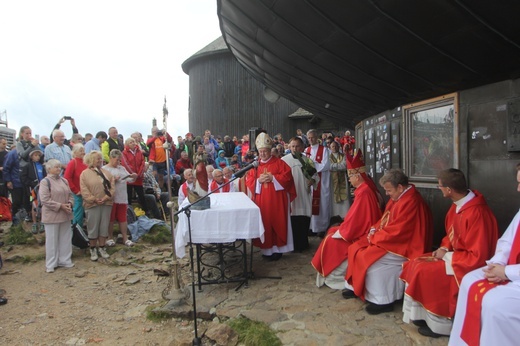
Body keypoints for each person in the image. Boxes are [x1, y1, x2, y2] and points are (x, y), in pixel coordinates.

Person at [400, 168, 498, 338]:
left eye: (440, 186)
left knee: (426, 271)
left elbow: (478, 255)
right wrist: (444, 248)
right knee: (416, 262)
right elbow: (451, 235)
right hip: (455, 256)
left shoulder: (477, 213)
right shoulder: (458, 205)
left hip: (469, 263)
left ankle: (440, 324)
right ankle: (423, 315)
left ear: (449, 190)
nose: (440, 189)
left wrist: (447, 256)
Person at [343, 168, 433, 315]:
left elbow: (400, 230)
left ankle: (382, 300)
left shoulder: (411, 202)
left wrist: (376, 237)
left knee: (369, 259)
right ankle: (356, 287)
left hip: (407, 245)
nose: (387, 194)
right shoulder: (399, 196)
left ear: (400, 187)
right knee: (355, 248)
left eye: (389, 190)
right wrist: (374, 229)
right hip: (393, 240)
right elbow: (386, 219)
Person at [448, 164, 520, 346]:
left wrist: (506, 272)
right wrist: (497, 263)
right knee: (469, 280)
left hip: (515, 275)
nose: (518, 189)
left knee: (495, 304)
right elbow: (507, 241)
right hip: (509, 270)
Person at [311, 149, 383, 289]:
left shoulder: (364, 192)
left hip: (362, 233)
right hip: (360, 228)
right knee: (332, 231)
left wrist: (344, 231)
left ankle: (333, 275)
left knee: (331, 240)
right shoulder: (365, 188)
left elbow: (359, 221)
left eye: (350, 176)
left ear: (356, 176)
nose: (349, 179)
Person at [246, 132, 296, 261]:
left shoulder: (279, 163)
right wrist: (258, 181)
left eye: (265, 151)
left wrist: (273, 178)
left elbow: (288, 178)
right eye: (260, 152)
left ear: (270, 151)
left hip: (277, 200)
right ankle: (266, 250)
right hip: (262, 201)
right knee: (265, 222)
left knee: (277, 222)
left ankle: (278, 250)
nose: (262, 154)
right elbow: (249, 180)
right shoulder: (255, 166)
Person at [39, 159, 74, 273]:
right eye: (56, 167)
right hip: (52, 215)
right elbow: (44, 199)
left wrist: (69, 204)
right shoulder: (45, 182)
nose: (59, 169)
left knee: (65, 238)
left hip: (65, 214)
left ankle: (65, 260)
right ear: (49, 169)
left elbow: (70, 195)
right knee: (52, 240)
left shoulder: (64, 181)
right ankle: (51, 263)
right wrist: (60, 206)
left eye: (59, 167)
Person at [281, 137, 316, 252]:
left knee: (303, 217)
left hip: (303, 192)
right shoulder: (284, 161)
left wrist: (313, 180)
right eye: (292, 146)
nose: (294, 148)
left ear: (302, 147)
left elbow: (315, 176)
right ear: (289, 147)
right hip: (290, 194)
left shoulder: (306, 161)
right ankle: (292, 244)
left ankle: (303, 243)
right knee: (292, 218)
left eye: (297, 146)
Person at [80, 150, 115, 261]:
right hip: (92, 205)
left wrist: (105, 198)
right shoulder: (84, 174)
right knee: (93, 226)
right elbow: (84, 190)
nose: (100, 160)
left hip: (106, 203)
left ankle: (102, 247)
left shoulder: (107, 173)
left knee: (104, 226)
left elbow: (112, 188)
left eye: (100, 158)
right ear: (91, 160)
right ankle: (93, 248)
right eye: (97, 158)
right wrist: (94, 199)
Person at [102, 149, 137, 247]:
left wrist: (133, 176)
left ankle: (125, 237)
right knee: (111, 218)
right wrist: (113, 180)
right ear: (111, 158)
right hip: (111, 197)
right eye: (116, 160)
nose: (118, 162)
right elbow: (102, 183)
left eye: (119, 160)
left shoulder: (121, 168)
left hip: (122, 196)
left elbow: (129, 179)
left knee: (123, 218)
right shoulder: (105, 169)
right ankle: (109, 237)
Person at [305, 129, 331, 236]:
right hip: (310, 181)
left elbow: (326, 165)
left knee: (323, 204)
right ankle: (312, 227)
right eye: (309, 138)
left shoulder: (325, 150)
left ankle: (322, 227)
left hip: (322, 180)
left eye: (313, 137)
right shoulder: (306, 150)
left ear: (317, 138)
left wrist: (312, 165)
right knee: (310, 203)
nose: (311, 139)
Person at [20, 147, 46, 234]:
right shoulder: (27, 166)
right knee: (33, 205)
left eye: (39, 155)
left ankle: (42, 221)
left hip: (42, 189)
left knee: (42, 204)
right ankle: (34, 223)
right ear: (31, 156)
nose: (37, 157)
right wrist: (32, 183)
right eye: (35, 155)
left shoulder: (42, 166)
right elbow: (23, 178)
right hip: (32, 190)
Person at [64, 143, 88, 227]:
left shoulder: (85, 163)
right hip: (77, 192)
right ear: (75, 152)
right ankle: (77, 230)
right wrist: (75, 190)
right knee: (78, 211)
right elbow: (67, 178)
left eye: (83, 151)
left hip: (85, 192)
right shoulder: (72, 163)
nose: (83, 152)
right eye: (81, 151)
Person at [121, 137, 146, 212]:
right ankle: (128, 212)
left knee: (141, 195)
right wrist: (133, 174)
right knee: (128, 195)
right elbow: (126, 164)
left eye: (133, 142)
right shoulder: (124, 153)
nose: (132, 143)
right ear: (127, 144)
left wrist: (139, 174)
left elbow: (143, 163)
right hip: (129, 177)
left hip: (138, 177)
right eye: (130, 142)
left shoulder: (139, 152)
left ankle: (146, 210)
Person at [3, 147, 24, 225]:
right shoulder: (12, 154)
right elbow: (6, 168)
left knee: (29, 199)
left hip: (26, 183)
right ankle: (14, 220)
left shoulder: (28, 153)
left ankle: (22, 218)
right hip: (15, 183)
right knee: (17, 201)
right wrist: (8, 181)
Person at [329, 141, 349, 218]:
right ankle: (334, 214)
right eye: (333, 146)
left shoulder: (343, 156)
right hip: (332, 179)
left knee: (345, 197)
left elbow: (344, 166)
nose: (334, 148)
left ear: (339, 147)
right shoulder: (328, 156)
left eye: (336, 146)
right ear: (330, 148)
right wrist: (338, 166)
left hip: (342, 178)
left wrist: (333, 167)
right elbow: (328, 166)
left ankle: (345, 214)